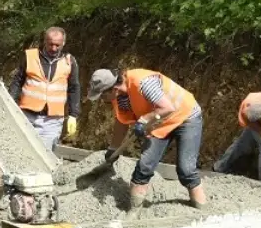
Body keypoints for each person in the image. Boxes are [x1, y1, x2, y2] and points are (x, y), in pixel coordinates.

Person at [86, 67, 207, 210]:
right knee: (144, 166)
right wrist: (113, 149)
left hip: (185, 117)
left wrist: (144, 120)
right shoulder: (118, 98)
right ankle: (134, 211)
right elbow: (122, 122)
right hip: (159, 124)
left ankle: (201, 209)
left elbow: (168, 108)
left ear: (114, 89)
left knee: (186, 169)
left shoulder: (143, 83)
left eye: (102, 95)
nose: (101, 99)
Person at [7, 26, 80, 151]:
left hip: (51, 121)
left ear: (63, 43)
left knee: (45, 156)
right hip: (26, 116)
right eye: (50, 44)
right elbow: (17, 82)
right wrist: (9, 104)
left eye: (57, 45)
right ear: (44, 41)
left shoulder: (69, 61)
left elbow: (74, 88)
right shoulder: (30, 56)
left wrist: (73, 114)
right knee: (21, 152)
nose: (53, 48)